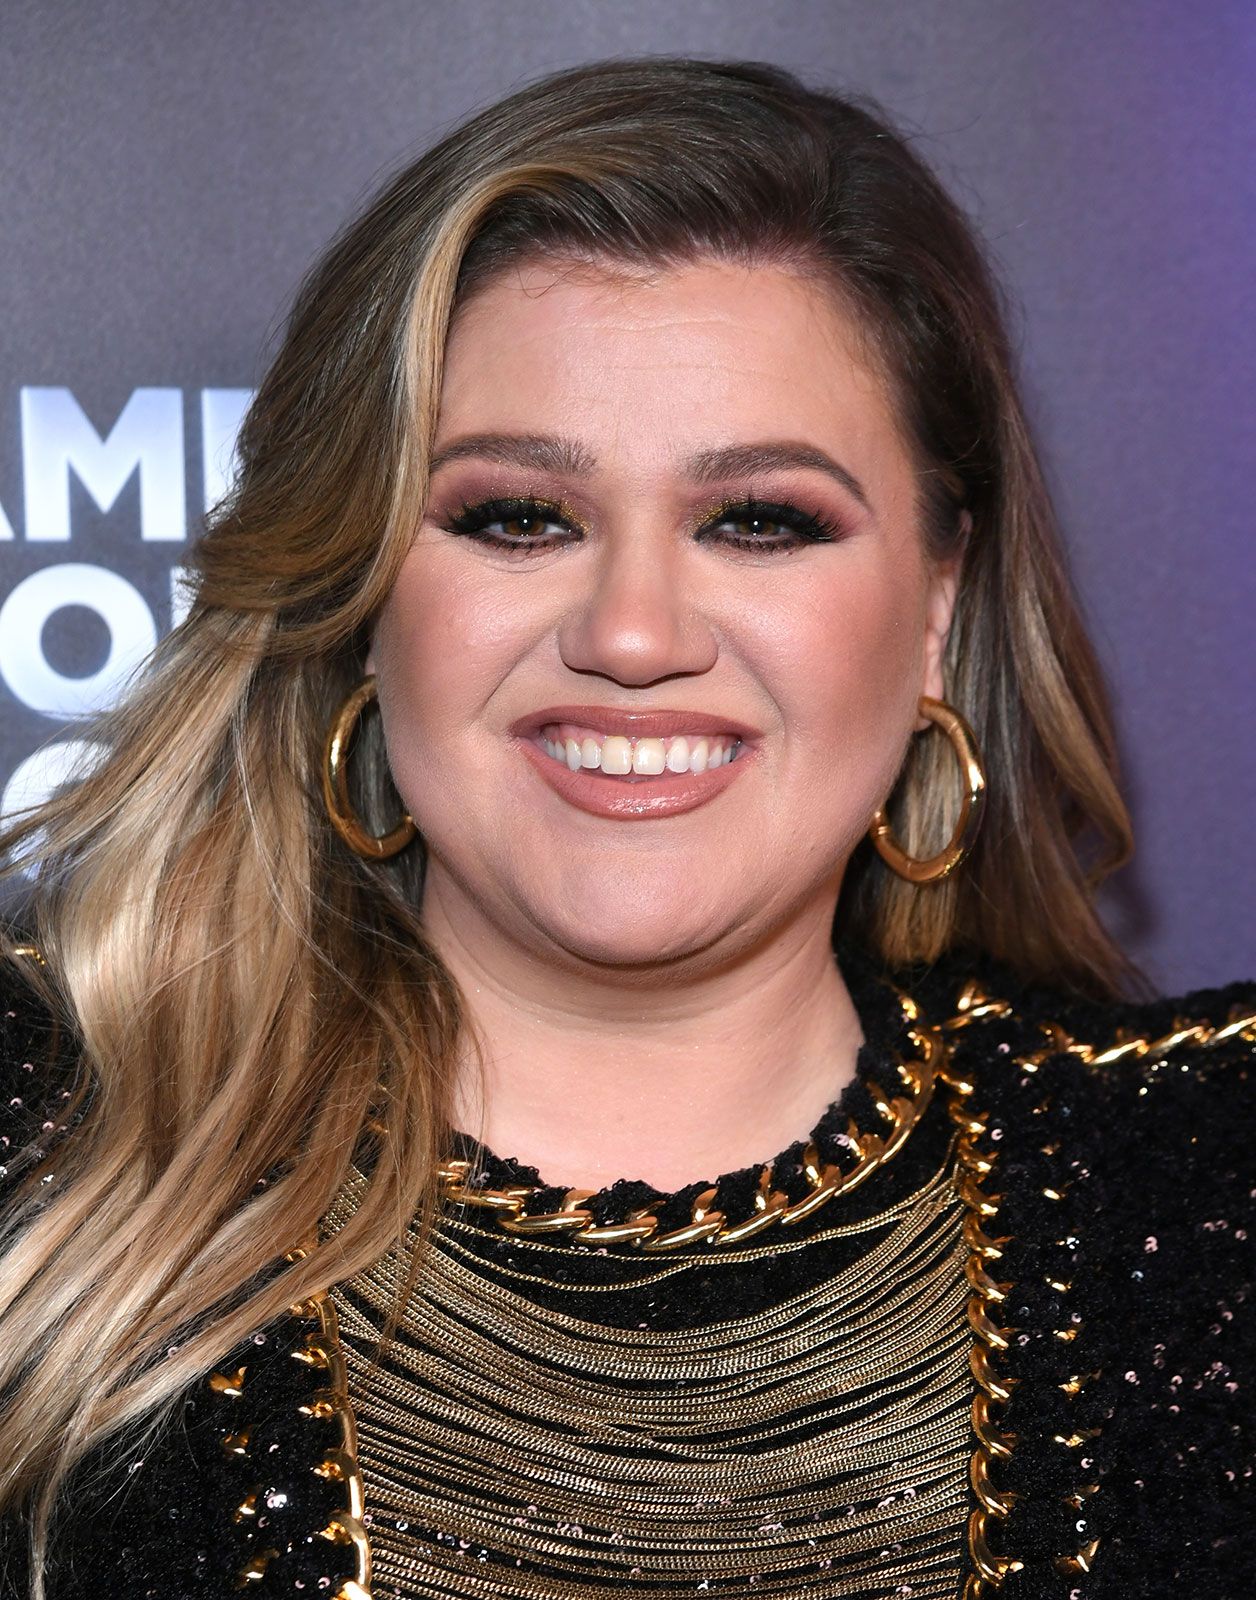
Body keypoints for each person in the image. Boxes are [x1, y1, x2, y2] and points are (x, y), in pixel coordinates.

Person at [0, 54, 1251, 1600]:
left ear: (936, 605)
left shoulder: (1205, 1182)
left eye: (761, 521)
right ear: (365, 594)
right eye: (519, 516)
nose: (635, 633)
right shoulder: (43, 1145)